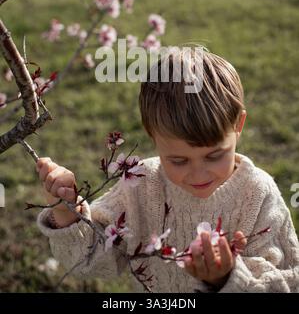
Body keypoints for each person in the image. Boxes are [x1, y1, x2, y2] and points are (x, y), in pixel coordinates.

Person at [36, 46, 299, 292]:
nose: (198, 174)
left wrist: (227, 278)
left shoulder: (257, 194)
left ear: (238, 125)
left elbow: (288, 282)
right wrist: (66, 212)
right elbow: (90, 261)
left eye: (214, 155)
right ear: (152, 135)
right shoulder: (141, 184)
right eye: (179, 160)